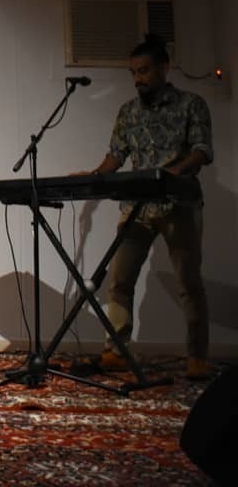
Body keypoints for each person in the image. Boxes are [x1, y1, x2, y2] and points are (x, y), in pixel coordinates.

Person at [83, 35, 212, 380]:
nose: (137, 78)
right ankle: (116, 351)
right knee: (119, 281)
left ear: (163, 68)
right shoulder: (128, 112)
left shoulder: (191, 104)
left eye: (143, 71)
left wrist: (172, 174)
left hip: (178, 203)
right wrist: (93, 176)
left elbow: (202, 150)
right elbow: (116, 156)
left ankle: (198, 356)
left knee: (188, 282)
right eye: (133, 73)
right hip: (137, 207)